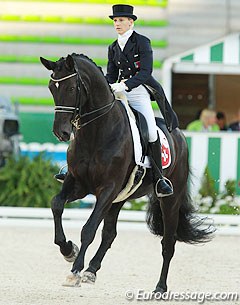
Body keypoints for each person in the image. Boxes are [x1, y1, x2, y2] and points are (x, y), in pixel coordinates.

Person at [106, 4, 179, 197]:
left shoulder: (142, 42)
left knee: (151, 132)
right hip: (120, 93)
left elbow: (146, 72)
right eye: (115, 21)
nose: (117, 24)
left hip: (139, 92)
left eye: (121, 20)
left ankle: (159, 178)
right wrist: (105, 85)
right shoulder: (113, 47)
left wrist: (126, 85)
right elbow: (111, 74)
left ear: (131, 21)